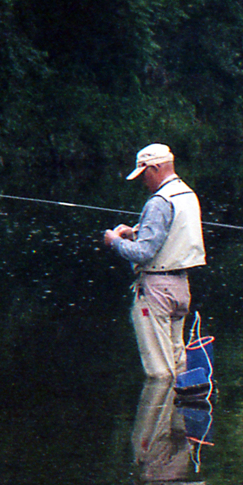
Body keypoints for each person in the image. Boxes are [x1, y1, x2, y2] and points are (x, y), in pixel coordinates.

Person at [104, 143, 206, 380]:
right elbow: (173, 235)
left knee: (159, 372)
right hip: (181, 287)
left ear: (156, 167)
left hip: (157, 291)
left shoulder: (158, 201)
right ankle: (180, 413)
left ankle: (160, 412)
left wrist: (114, 241)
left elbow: (143, 253)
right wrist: (135, 233)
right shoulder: (187, 194)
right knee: (178, 363)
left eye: (144, 173)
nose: (143, 181)